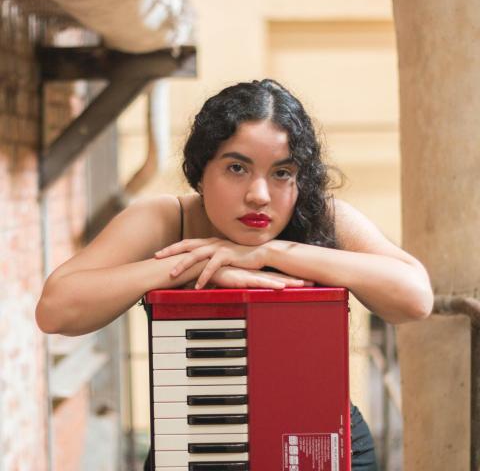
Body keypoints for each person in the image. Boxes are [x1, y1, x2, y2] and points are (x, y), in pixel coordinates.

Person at [36, 79, 433, 470]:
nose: (259, 194)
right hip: (193, 443)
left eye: (282, 173)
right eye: (237, 168)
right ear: (200, 171)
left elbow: (415, 298)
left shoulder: (321, 217)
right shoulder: (168, 218)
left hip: (319, 447)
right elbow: (56, 310)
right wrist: (192, 265)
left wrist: (270, 252)